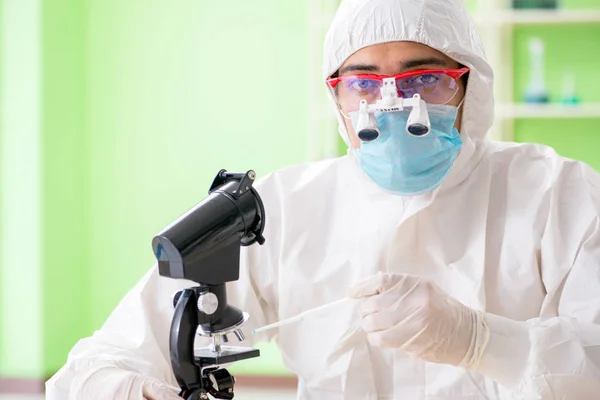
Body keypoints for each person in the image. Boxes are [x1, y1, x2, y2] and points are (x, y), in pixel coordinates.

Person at [46, 0, 600, 398]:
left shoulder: (558, 194)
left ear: (468, 85)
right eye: (363, 83)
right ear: (336, 96)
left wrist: (482, 341)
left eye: (423, 80)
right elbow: (100, 362)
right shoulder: (280, 208)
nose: (391, 106)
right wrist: (130, 391)